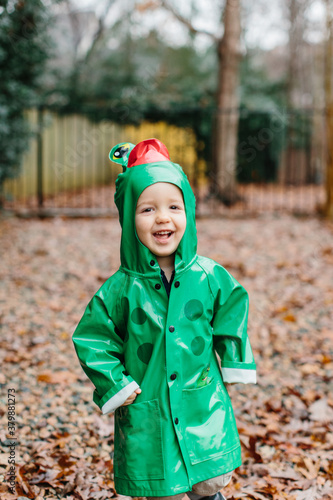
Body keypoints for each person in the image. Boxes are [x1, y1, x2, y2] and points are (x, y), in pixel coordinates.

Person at [72, 138, 257, 500]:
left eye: (174, 206)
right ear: (128, 219)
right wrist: (115, 382)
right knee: (163, 485)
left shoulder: (208, 275)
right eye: (147, 210)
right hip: (149, 402)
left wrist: (235, 359)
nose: (163, 218)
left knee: (209, 479)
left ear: (188, 210)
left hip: (200, 397)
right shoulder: (121, 288)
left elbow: (233, 308)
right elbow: (92, 337)